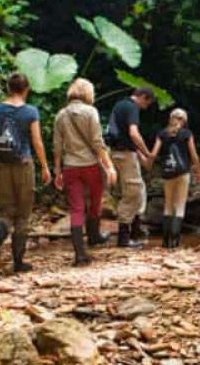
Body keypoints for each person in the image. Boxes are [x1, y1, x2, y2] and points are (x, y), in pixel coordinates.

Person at [0, 73, 52, 273]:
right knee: (23, 214)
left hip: (0, 164)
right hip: (23, 164)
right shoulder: (30, 112)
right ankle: (18, 261)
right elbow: (37, 141)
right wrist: (45, 166)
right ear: (26, 89)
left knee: (4, 210)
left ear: (8, 88)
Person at [53, 79, 119, 266]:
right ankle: (94, 236)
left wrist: (58, 172)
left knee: (76, 208)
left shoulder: (61, 115)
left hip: (70, 167)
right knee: (95, 201)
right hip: (90, 165)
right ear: (88, 93)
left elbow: (57, 146)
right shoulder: (91, 112)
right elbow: (98, 142)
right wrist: (109, 166)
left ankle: (80, 254)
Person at [106, 88, 155, 248]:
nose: (145, 108)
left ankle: (135, 230)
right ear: (142, 97)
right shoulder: (132, 107)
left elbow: (123, 135)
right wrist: (147, 153)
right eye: (147, 103)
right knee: (133, 192)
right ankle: (124, 238)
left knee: (133, 191)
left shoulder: (119, 105)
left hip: (115, 154)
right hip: (125, 155)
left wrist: (140, 156)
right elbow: (133, 134)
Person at [148, 109, 200, 248]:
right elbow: (193, 154)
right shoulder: (186, 134)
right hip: (183, 172)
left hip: (167, 173)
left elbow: (153, 154)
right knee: (179, 207)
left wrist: (148, 164)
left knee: (168, 206)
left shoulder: (161, 134)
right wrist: (198, 171)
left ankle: (165, 242)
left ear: (170, 118)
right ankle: (175, 242)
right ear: (184, 121)